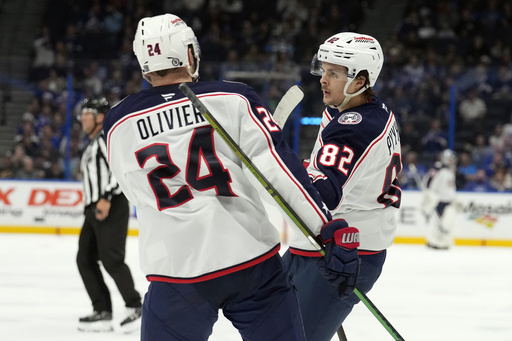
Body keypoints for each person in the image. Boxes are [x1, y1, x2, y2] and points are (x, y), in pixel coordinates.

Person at [103, 14, 358, 341]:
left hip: (176, 273)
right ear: (189, 54)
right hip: (250, 263)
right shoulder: (233, 99)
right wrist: (325, 231)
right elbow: (279, 174)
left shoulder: (117, 122)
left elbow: (135, 193)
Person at [282, 32, 402, 341]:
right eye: (323, 70)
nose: (324, 79)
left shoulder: (355, 128)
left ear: (361, 80)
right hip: (319, 243)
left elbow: (322, 196)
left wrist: (276, 161)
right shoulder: (359, 110)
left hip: (343, 252)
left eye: (334, 73)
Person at [77, 97, 142, 332]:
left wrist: (105, 197)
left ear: (100, 117)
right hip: (94, 209)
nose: (83, 118)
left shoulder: (104, 139)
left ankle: (136, 306)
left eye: (88, 113)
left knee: (112, 259)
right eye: (83, 114)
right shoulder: (93, 142)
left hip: (110, 205)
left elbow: (120, 167)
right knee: (84, 259)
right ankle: (102, 311)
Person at [421, 149, 458, 249]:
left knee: (446, 222)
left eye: (453, 159)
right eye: (450, 159)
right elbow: (428, 182)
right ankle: (434, 241)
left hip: (448, 200)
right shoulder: (437, 168)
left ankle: (442, 241)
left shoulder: (451, 169)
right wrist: (429, 195)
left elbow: (450, 186)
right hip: (439, 200)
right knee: (438, 223)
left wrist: (454, 197)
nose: (452, 161)